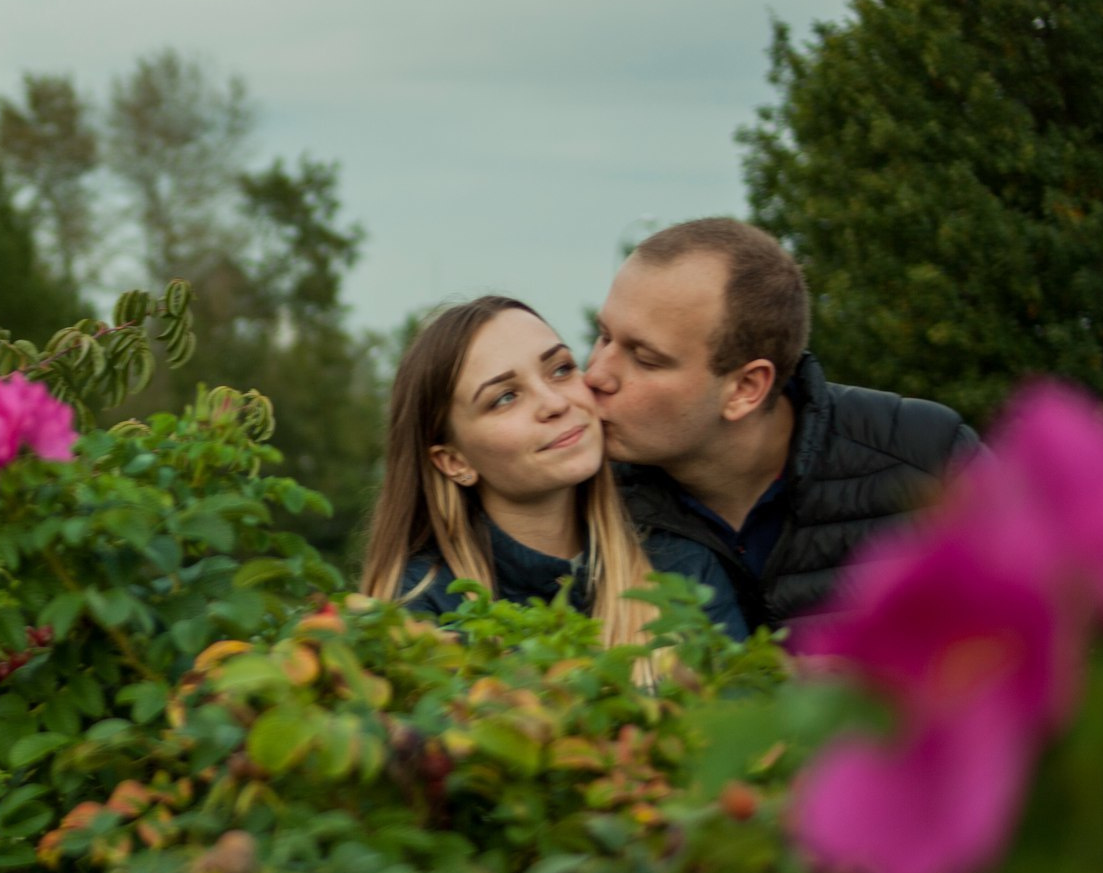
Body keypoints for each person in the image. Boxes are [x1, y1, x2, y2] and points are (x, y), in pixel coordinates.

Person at [583, 217, 977, 635]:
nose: (595, 375)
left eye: (645, 359)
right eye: (604, 337)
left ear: (745, 389)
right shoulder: (581, 492)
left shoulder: (930, 458)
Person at [359, 295, 750, 648]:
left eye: (560, 369)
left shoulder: (682, 571)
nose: (554, 403)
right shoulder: (420, 611)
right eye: (505, 398)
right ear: (454, 461)